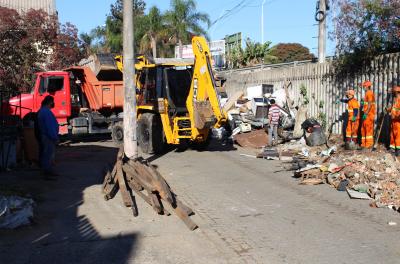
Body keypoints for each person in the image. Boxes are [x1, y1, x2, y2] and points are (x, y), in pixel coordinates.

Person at [37, 95, 59, 178]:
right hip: (48, 137)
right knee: (48, 154)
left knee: (46, 154)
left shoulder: (42, 111)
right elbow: (50, 126)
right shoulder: (46, 112)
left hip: (45, 136)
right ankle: (47, 172)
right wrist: (55, 137)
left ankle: (46, 171)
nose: (53, 104)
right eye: (52, 102)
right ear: (49, 102)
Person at [360, 80, 376, 148]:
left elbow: (369, 104)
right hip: (366, 114)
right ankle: (363, 144)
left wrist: (366, 113)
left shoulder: (369, 93)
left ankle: (369, 144)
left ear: (367, 86)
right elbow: (367, 104)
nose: (363, 87)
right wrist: (363, 102)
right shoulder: (367, 93)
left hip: (369, 115)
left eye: (364, 86)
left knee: (368, 129)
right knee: (363, 129)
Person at [388, 86, 400, 156]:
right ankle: (392, 149)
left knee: (398, 136)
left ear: (396, 92)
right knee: (392, 135)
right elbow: (394, 109)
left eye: (393, 92)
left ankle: (398, 151)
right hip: (394, 121)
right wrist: (388, 109)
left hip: (398, 121)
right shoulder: (395, 100)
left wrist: (396, 117)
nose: (392, 93)